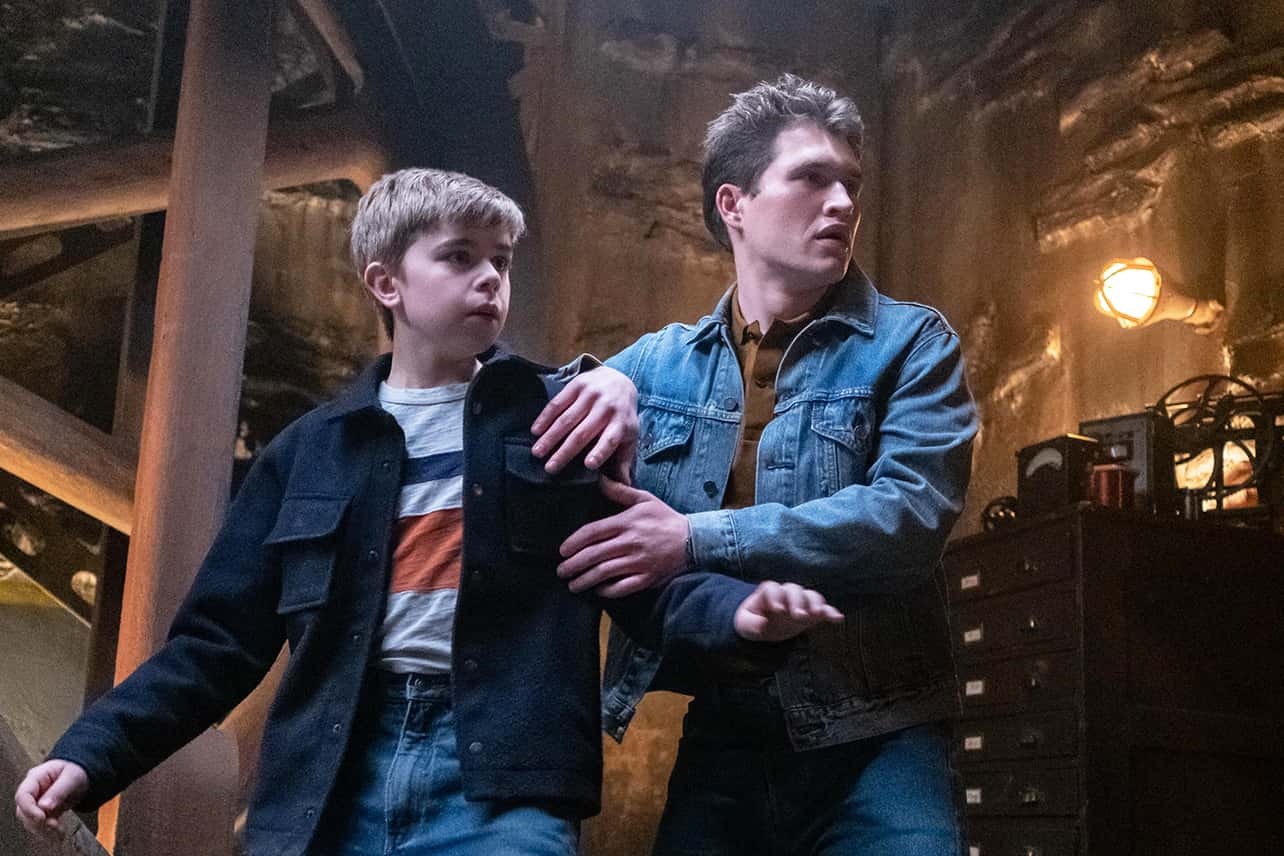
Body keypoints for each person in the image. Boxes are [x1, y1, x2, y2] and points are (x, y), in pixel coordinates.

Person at [14, 167, 842, 856]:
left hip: (501, 788)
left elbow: (640, 573)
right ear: (387, 283)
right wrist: (91, 756)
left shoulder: (558, 422)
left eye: (501, 261)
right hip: (329, 782)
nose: (490, 278)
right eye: (458, 256)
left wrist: (740, 614)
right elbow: (215, 645)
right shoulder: (308, 452)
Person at [552, 75, 979, 854]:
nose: (842, 202)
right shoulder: (656, 365)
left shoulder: (912, 343)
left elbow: (908, 518)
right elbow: (522, 425)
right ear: (734, 204)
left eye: (850, 183)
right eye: (811, 178)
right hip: (724, 738)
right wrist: (596, 376)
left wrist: (694, 538)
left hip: (881, 737)